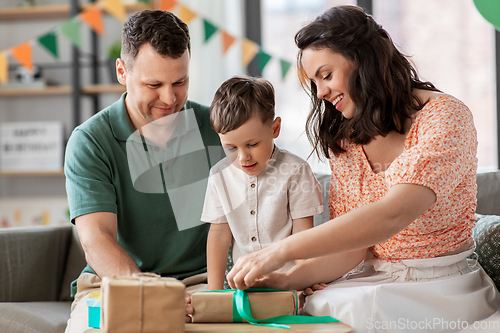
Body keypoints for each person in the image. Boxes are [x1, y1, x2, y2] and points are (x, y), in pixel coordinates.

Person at [227, 5, 500, 332]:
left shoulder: (445, 117)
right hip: (374, 279)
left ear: (364, 58)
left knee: (352, 316)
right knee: (308, 313)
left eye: (326, 75)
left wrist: (277, 252)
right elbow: (354, 248)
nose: (321, 93)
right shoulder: (347, 139)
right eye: (314, 83)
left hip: (442, 286)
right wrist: (285, 279)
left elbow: (391, 215)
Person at [64, 10, 221, 332]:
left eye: (180, 81)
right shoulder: (91, 140)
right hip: (115, 284)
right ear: (122, 71)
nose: (170, 98)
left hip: (206, 284)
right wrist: (151, 293)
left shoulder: (219, 126)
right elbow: (97, 238)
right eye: (154, 84)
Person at [201, 76, 324, 290]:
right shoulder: (219, 175)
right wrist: (213, 291)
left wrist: (305, 280)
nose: (243, 157)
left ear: (275, 129)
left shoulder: (296, 171)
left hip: (289, 282)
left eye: (252, 144)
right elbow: (219, 235)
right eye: (231, 148)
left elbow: (303, 234)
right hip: (242, 284)